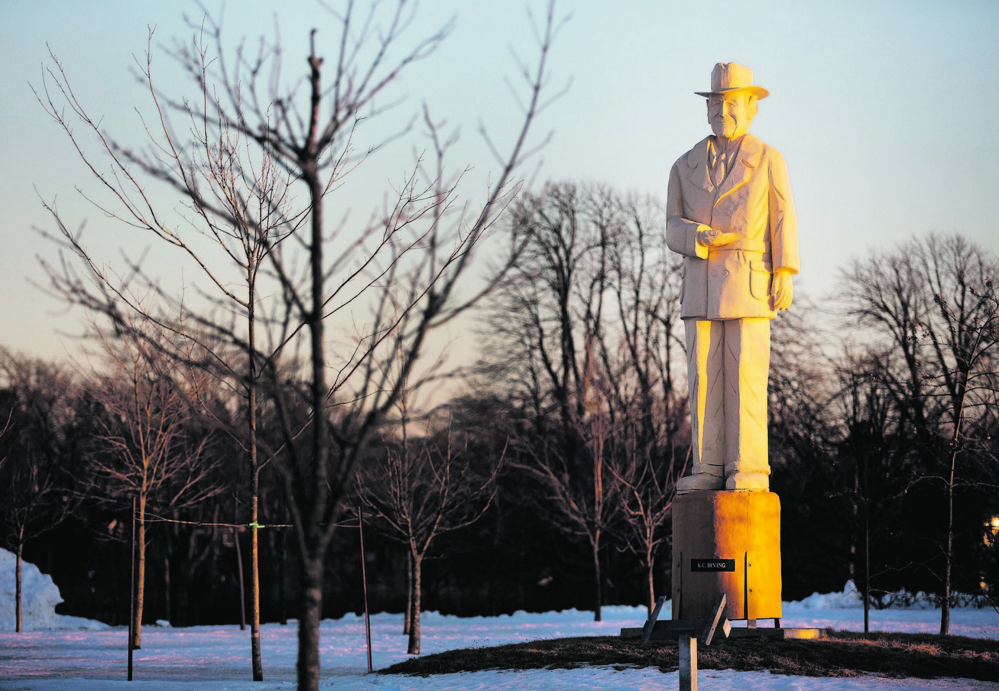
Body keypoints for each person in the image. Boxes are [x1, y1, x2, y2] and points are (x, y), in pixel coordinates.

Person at [666, 62, 799, 493]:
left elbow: (783, 219)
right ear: (707, 110)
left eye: (733, 102)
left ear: (751, 107)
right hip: (701, 284)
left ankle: (749, 467)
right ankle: (707, 467)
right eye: (717, 102)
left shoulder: (768, 160)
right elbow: (670, 226)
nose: (724, 110)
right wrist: (696, 235)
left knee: (745, 374)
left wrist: (785, 270)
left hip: (748, 281)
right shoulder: (683, 165)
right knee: (703, 376)